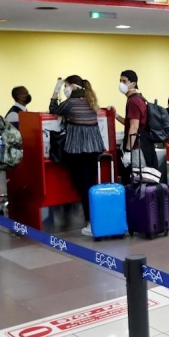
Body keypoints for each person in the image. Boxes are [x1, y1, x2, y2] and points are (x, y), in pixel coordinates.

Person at [49, 75, 105, 237]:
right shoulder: (91, 102)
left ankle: (90, 223)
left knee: (83, 188)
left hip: (78, 151)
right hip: (94, 151)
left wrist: (56, 89)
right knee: (91, 186)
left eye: (66, 86)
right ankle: (95, 221)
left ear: (72, 86)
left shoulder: (70, 104)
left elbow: (53, 108)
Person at [116, 70, 158, 180]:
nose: (121, 84)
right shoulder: (140, 99)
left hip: (137, 148)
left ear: (133, 84)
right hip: (144, 145)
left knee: (138, 180)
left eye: (124, 81)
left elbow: (134, 127)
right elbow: (131, 123)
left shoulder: (133, 102)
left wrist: (128, 151)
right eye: (120, 81)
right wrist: (116, 116)